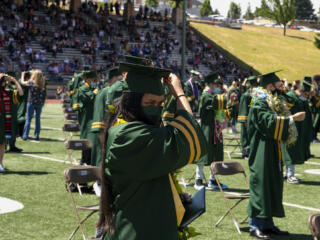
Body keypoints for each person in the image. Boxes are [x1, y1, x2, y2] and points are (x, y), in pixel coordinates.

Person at [97, 62, 207, 240]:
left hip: (151, 224)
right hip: (137, 232)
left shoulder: (135, 129)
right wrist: (179, 93)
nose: (156, 108)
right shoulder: (127, 134)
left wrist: (174, 197)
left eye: (160, 103)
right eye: (149, 102)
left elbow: (151, 176)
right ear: (131, 101)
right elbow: (189, 136)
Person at [247, 71, 306, 239]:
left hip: (272, 149)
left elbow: (292, 102)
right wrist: (291, 119)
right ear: (268, 86)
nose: (278, 87)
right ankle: (255, 226)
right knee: (261, 185)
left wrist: (284, 90)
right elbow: (267, 122)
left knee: (272, 184)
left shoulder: (272, 101)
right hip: (261, 150)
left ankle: (267, 225)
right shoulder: (259, 101)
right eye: (276, 84)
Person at [194, 72, 236, 190]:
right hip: (207, 128)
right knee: (204, 153)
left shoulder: (214, 95)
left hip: (216, 129)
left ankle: (213, 180)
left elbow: (223, 113)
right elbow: (216, 102)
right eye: (217, 84)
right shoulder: (206, 95)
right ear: (211, 84)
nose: (219, 87)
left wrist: (231, 104)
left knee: (216, 154)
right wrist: (227, 96)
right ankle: (198, 180)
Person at [90, 67, 123, 167]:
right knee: (102, 161)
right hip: (104, 134)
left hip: (113, 134)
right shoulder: (103, 93)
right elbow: (99, 116)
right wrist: (102, 136)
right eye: (119, 78)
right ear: (113, 78)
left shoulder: (118, 91)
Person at [74, 70, 99, 165]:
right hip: (87, 117)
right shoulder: (83, 88)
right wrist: (96, 92)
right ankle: (84, 160)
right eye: (93, 79)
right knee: (86, 137)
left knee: (92, 137)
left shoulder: (92, 87)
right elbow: (91, 98)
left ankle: (89, 160)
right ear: (87, 79)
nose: (95, 81)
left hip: (93, 116)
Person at [0, 73, 24, 172]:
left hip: (3, 122)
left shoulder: (8, 92)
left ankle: (0, 164)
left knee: (2, 144)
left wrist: (14, 81)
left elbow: (21, 93)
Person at [22, 70, 46, 141]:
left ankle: (25, 135)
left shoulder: (31, 82)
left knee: (28, 119)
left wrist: (22, 75)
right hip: (39, 103)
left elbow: (23, 82)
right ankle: (36, 135)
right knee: (37, 119)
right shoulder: (42, 83)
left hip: (31, 102)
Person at [238, 76, 258, 158]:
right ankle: (245, 151)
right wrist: (245, 121)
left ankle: (251, 150)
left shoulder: (255, 94)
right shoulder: (246, 95)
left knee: (252, 135)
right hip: (246, 119)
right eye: (254, 85)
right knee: (245, 135)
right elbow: (243, 108)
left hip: (253, 119)